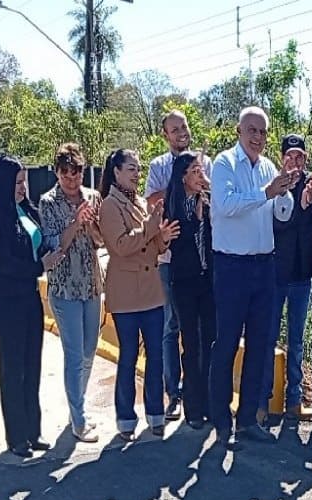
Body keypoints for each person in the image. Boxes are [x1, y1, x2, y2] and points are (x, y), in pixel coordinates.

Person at [208, 106, 295, 446]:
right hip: (231, 266)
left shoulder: (270, 167)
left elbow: (281, 216)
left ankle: (247, 419)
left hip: (263, 266)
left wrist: (286, 195)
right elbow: (227, 205)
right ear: (239, 131)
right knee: (227, 343)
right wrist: (267, 193)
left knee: (260, 344)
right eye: (252, 131)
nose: (258, 137)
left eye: (263, 132)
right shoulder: (224, 164)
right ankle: (220, 419)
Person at [0, 156, 61, 458]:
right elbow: (5, 263)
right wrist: (39, 266)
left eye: (24, 181)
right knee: (13, 369)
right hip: (7, 299)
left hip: (29, 296)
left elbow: (37, 244)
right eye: (17, 182)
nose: (22, 187)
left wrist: (51, 251)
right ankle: (16, 437)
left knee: (33, 365)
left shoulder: (29, 210)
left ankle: (33, 431)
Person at [98, 148, 180, 441]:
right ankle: (125, 418)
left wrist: (163, 238)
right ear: (117, 172)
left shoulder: (141, 205)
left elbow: (152, 247)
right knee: (129, 356)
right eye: (131, 168)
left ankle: (156, 415)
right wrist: (149, 230)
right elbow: (120, 246)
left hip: (151, 291)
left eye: (138, 168)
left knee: (156, 355)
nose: (136, 174)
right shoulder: (108, 206)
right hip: (126, 294)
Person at [260, 134, 312, 422]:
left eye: (300, 156)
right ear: (282, 159)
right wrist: (297, 207)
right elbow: (273, 222)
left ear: (306, 159)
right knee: (267, 338)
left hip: (302, 277)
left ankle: (294, 398)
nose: (295, 161)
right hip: (274, 276)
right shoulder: (273, 186)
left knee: (296, 339)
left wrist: (311, 202)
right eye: (289, 156)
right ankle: (262, 400)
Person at [145, 110, 213, 421]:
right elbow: (153, 202)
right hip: (169, 260)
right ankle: (174, 394)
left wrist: (194, 182)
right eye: (174, 129)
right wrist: (180, 184)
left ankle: (200, 394)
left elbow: (211, 196)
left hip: (203, 264)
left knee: (202, 333)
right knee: (171, 327)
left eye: (183, 126)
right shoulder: (159, 166)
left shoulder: (205, 161)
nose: (181, 132)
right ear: (165, 136)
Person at [39, 142, 105, 443]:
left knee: (90, 350)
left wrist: (91, 226)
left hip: (90, 283)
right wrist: (75, 223)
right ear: (57, 172)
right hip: (64, 286)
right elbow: (55, 245)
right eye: (65, 172)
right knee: (74, 353)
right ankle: (78, 419)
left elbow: (100, 241)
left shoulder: (93, 197)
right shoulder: (48, 202)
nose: (71, 178)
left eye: (76, 171)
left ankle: (76, 404)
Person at [164, 152, 215, 429]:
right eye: (195, 171)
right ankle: (192, 406)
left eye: (201, 170)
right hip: (184, 282)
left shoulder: (206, 201)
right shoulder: (174, 204)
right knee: (191, 343)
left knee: (210, 340)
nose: (200, 176)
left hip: (208, 280)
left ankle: (209, 402)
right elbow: (177, 241)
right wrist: (195, 218)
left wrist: (208, 192)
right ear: (183, 175)